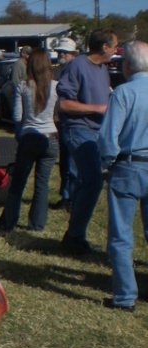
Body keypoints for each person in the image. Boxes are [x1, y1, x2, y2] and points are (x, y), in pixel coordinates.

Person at [56, 28, 117, 255]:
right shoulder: (77, 66)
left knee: (87, 183)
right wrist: (97, 108)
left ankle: (75, 235)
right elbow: (64, 105)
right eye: (113, 46)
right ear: (104, 47)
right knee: (92, 181)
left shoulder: (102, 69)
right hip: (79, 130)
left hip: (97, 132)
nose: (115, 50)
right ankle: (73, 237)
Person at [97, 41, 148, 311]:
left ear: (127, 64)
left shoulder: (124, 92)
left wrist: (108, 162)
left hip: (129, 166)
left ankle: (125, 296)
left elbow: (108, 136)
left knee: (121, 235)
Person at [0, 48, 59, 232]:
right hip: (50, 138)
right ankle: (37, 224)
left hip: (29, 136)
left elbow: (17, 116)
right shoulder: (56, 86)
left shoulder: (23, 87)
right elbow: (58, 114)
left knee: (18, 183)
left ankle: (8, 221)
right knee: (42, 183)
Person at [51, 37, 79, 212]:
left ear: (73, 54)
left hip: (74, 121)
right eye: (60, 51)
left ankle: (73, 198)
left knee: (73, 162)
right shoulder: (60, 70)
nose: (61, 54)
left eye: (65, 52)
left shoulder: (77, 70)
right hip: (62, 120)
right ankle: (65, 195)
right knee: (64, 161)